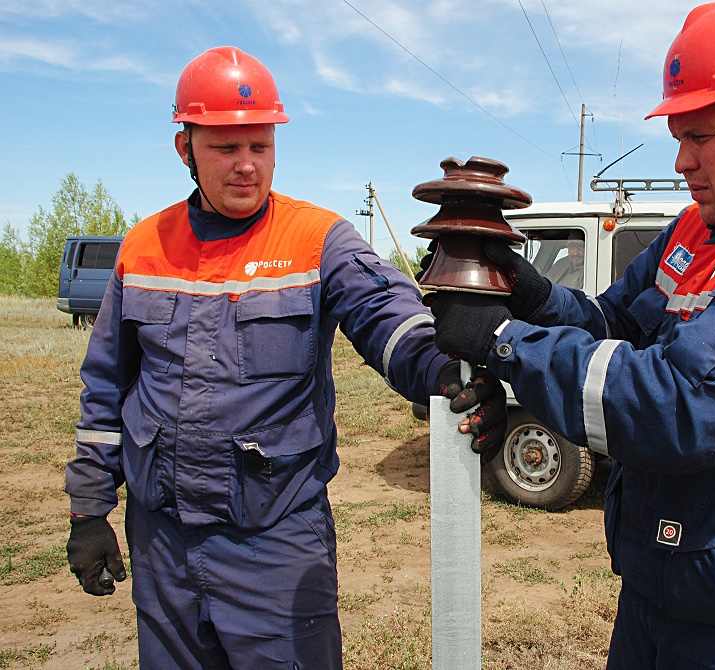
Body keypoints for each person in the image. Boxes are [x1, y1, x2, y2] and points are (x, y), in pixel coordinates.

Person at [431, 2, 715, 667]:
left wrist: (503, 341)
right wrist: (531, 297)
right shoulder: (695, 232)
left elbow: (681, 407)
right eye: (678, 137)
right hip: (660, 578)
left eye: (699, 136)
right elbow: (616, 328)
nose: (681, 162)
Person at [63, 46, 504, 669]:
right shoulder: (144, 247)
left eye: (260, 146)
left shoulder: (317, 240)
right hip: (162, 538)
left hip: (274, 541)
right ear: (185, 148)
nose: (246, 166)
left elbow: (391, 320)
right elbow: (106, 386)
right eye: (225, 148)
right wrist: (88, 509)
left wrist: (444, 370)